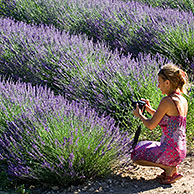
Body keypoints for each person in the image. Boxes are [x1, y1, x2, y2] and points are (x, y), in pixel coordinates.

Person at [131, 63, 189, 184]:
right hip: (180, 151)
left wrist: (139, 115)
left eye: (159, 82)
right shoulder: (182, 100)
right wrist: (149, 109)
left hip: (169, 151)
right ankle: (171, 168)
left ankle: (169, 169)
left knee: (135, 154)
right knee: (143, 145)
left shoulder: (167, 100)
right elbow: (169, 120)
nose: (158, 86)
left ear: (167, 82)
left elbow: (151, 125)